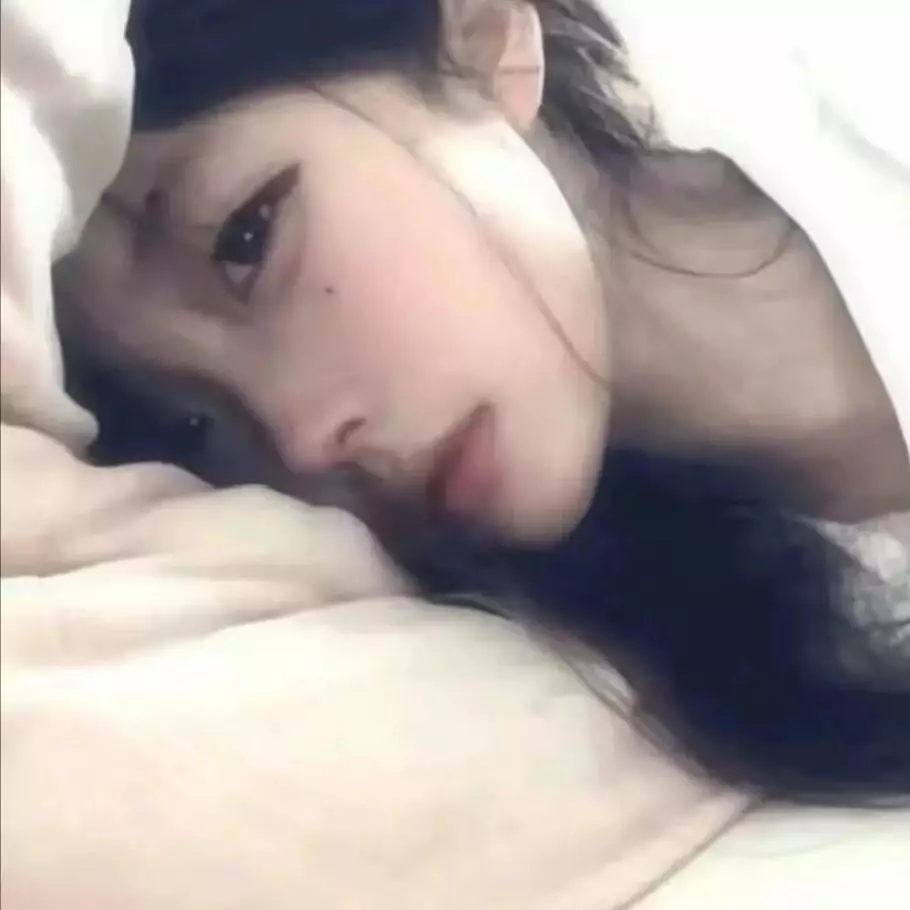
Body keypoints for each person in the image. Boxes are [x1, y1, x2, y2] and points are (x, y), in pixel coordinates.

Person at [54, 0, 910, 801]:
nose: (300, 441)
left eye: (247, 239)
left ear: (480, 37)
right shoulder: (643, 694)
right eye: (195, 427)